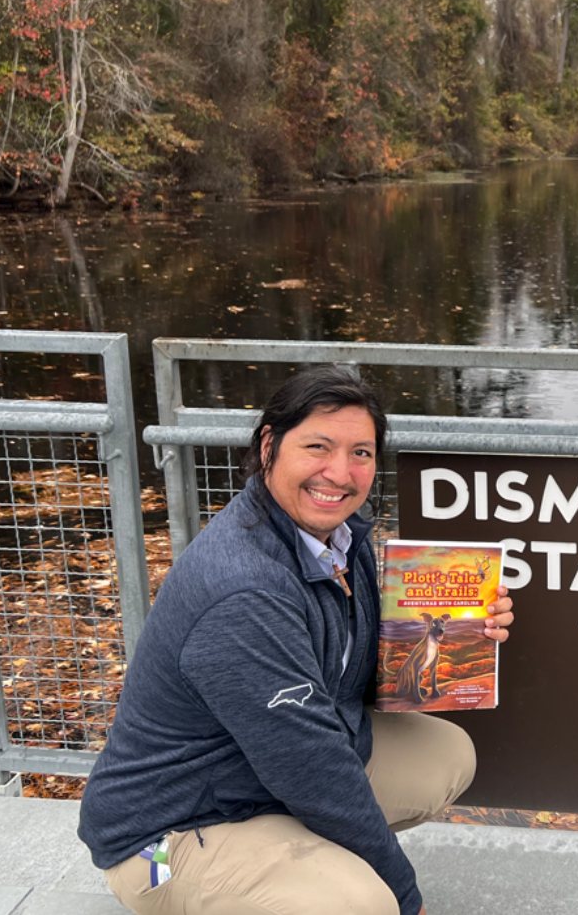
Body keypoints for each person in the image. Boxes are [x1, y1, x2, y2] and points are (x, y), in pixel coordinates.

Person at [78, 366, 513, 915]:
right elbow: (310, 766)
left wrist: (458, 624)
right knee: (361, 905)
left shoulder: (339, 537)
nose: (341, 472)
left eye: (361, 452)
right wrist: (406, 899)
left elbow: (343, 672)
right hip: (159, 838)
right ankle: (243, 888)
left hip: (257, 779)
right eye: (318, 446)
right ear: (270, 446)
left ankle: (288, 856)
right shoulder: (243, 591)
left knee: (445, 756)